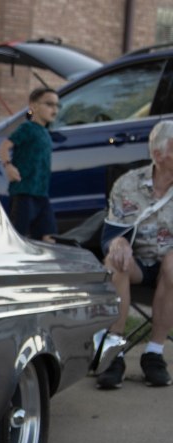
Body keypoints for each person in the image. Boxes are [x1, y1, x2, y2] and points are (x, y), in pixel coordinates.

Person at [95, 120, 173, 389]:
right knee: (115, 260)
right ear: (159, 154)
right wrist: (118, 243)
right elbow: (111, 234)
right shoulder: (128, 184)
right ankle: (114, 351)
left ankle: (154, 353)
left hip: (170, 269)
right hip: (137, 265)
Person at [0, 87, 60, 241]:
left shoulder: (45, 132)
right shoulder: (27, 128)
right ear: (34, 106)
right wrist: (8, 166)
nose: (55, 110)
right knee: (18, 237)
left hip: (41, 194)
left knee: (49, 236)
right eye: (49, 104)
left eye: (57, 105)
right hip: (24, 192)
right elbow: (4, 146)